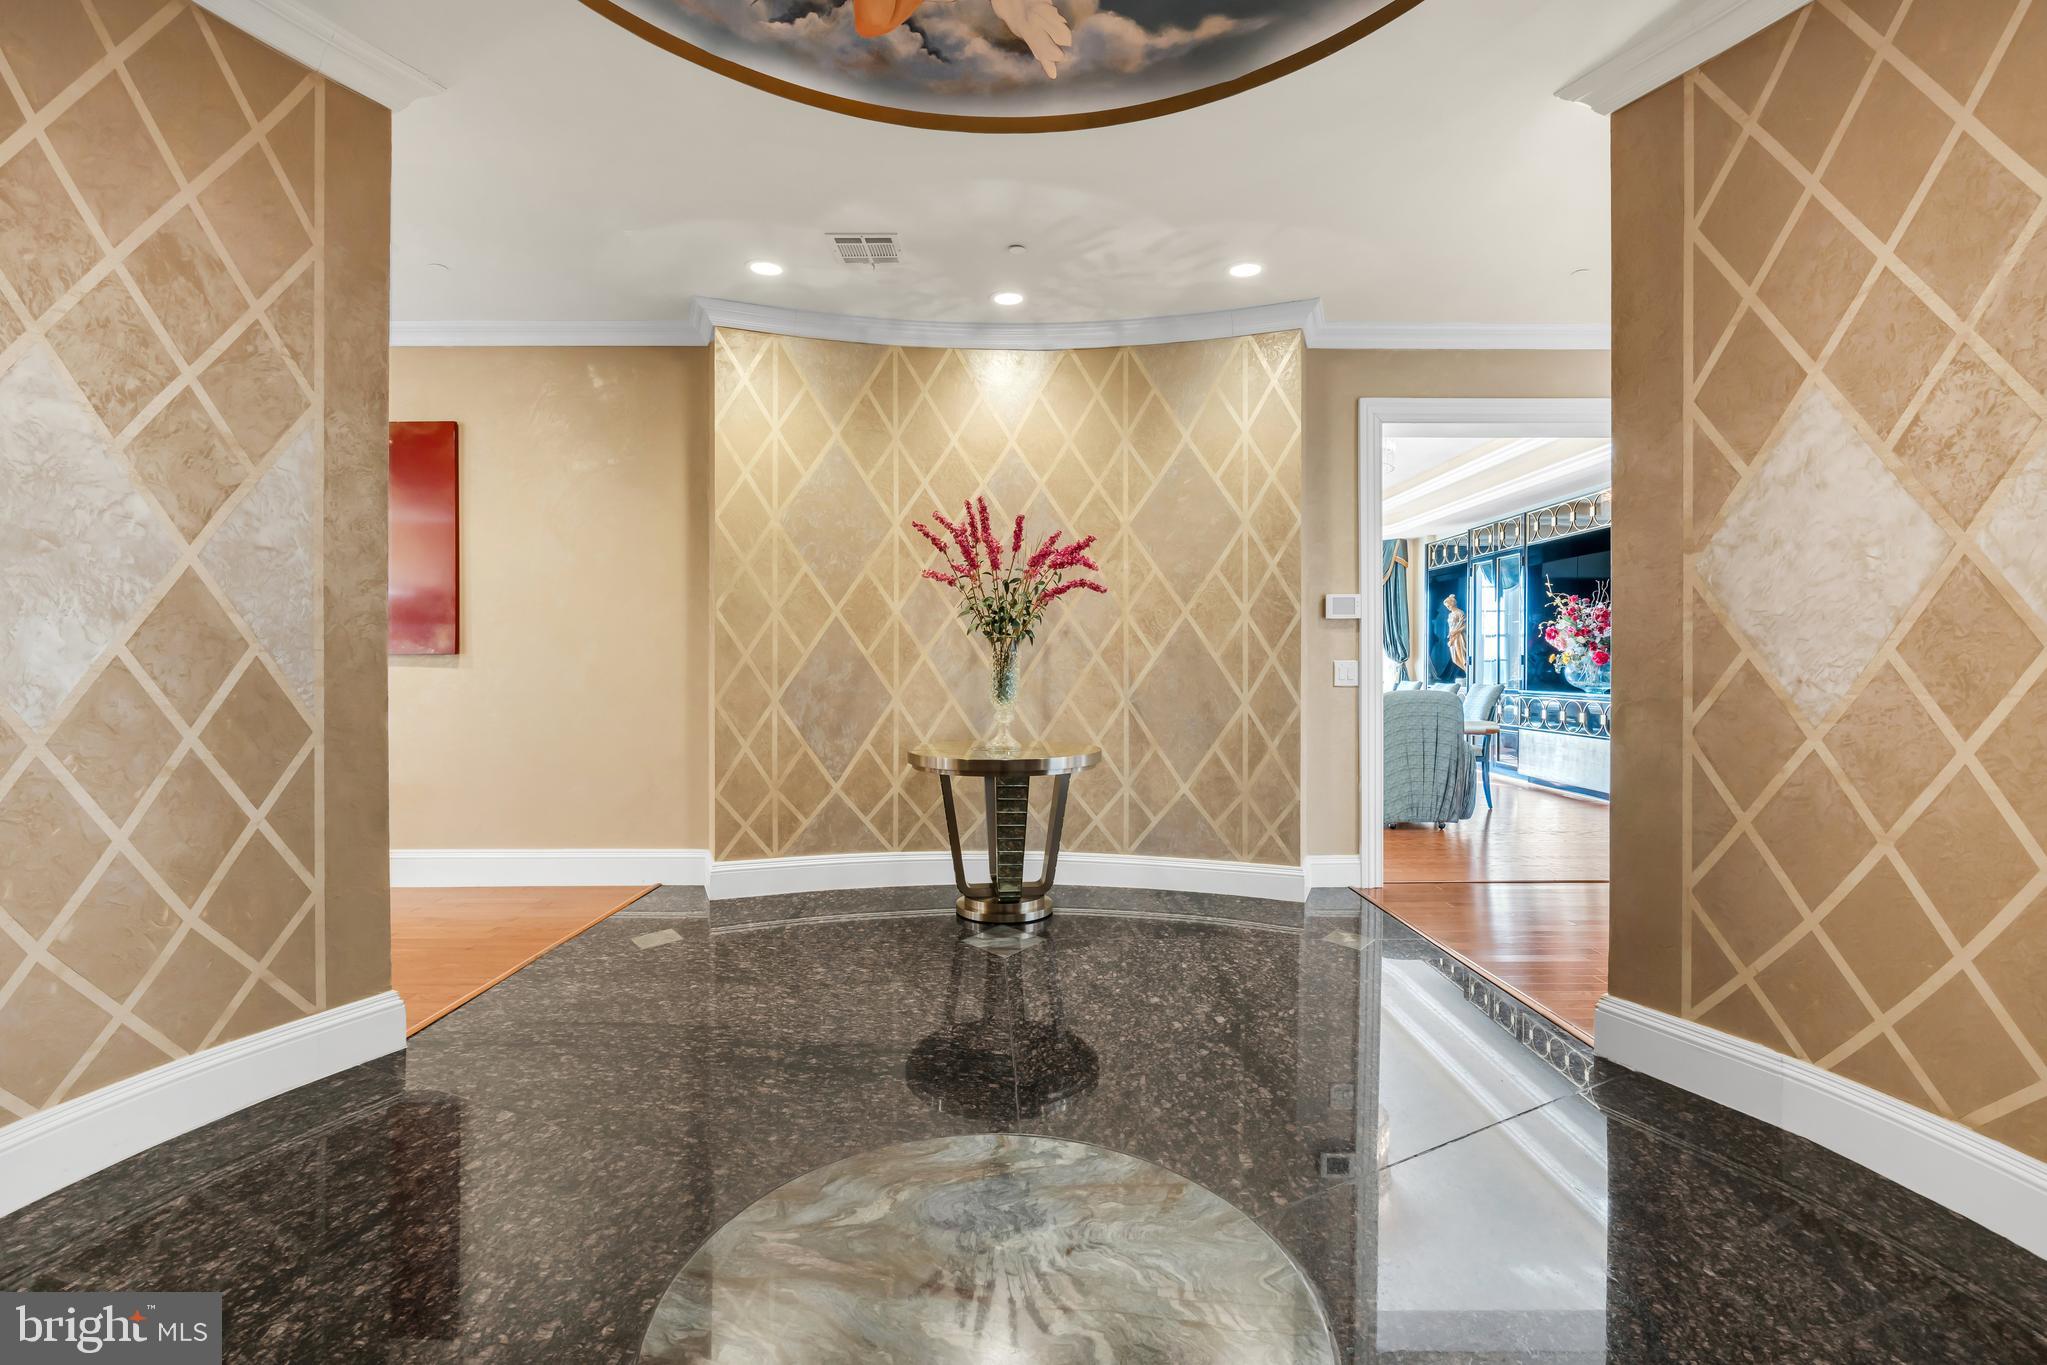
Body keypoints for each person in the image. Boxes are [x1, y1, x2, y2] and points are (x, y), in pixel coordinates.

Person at [1444, 594, 1468, 675]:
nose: (1448, 608)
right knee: (1454, 658)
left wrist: (1456, 632)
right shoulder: (1450, 614)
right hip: (1452, 636)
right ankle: (1467, 671)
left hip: (1459, 637)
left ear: (1452, 604)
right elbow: (1451, 626)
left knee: (1461, 656)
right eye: (1446, 606)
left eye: (1448, 606)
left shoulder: (1460, 613)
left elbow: (1465, 626)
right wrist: (1450, 634)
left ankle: (1468, 671)